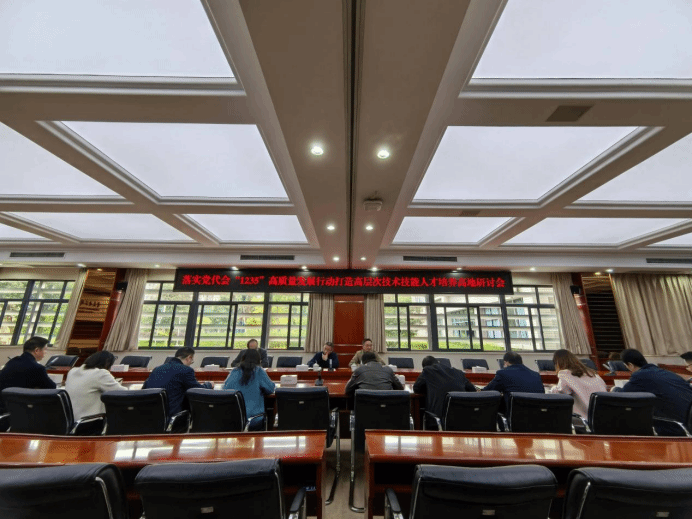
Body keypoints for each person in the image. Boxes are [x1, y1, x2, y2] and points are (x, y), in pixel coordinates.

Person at [618, 348, 692, 435]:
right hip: (687, 422)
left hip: (679, 428)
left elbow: (622, 397)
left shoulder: (639, 376)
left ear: (630, 365)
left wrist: (615, 389)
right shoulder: (667, 373)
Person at [143, 347, 212, 416]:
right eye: (192, 361)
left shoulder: (157, 369)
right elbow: (197, 391)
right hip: (172, 415)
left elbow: (144, 389)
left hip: (150, 414)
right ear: (189, 358)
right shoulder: (186, 370)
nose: (190, 364)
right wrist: (209, 385)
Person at [413, 355, 476, 429]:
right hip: (462, 418)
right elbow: (472, 390)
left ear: (425, 366)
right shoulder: (458, 372)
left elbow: (416, 388)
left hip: (437, 420)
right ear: (438, 362)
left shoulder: (427, 370)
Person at [223, 348, 275, 431]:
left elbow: (224, 389)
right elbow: (270, 389)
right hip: (253, 419)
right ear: (258, 360)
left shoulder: (234, 371)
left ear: (243, 358)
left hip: (233, 418)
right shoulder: (259, 371)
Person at [64, 351, 126, 420]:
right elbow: (123, 393)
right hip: (90, 421)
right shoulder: (100, 373)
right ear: (107, 363)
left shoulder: (72, 371)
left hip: (70, 420)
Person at [0, 337, 56, 412]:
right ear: (36, 350)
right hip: (15, 409)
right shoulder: (37, 368)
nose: (46, 352)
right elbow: (52, 387)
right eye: (45, 349)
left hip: (3, 404)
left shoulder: (12, 361)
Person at [548, 349, 606, 417]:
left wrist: (553, 387)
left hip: (586, 418)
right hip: (604, 415)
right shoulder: (593, 373)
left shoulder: (564, 374)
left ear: (557, 363)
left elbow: (561, 394)